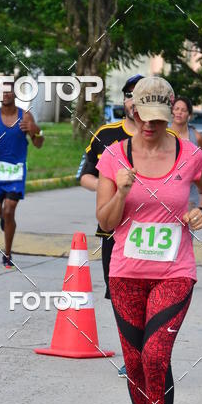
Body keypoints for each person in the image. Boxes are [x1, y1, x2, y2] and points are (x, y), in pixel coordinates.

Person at [95, 76, 202, 404]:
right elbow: (105, 222)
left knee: (154, 354)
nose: (151, 126)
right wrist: (122, 190)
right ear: (132, 112)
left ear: (171, 113)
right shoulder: (114, 156)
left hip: (174, 271)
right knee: (133, 364)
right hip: (126, 271)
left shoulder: (191, 155)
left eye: (160, 119)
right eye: (144, 118)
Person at [77, 75, 144, 376]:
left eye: (142, 95)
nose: (134, 101)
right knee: (119, 295)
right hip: (113, 230)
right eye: (130, 95)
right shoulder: (105, 135)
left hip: (149, 230)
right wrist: (110, 187)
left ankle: (148, 350)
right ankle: (133, 353)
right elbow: (84, 175)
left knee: (149, 292)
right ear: (124, 101)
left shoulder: (167, 138)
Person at [0, 86, 44, 268]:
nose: (6, 94)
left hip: (16, 172)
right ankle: (2, 219)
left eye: (9, 91)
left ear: (16, 94)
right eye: (3, 91)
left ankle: (7, 254)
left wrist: (36, 130)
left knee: (9, 211)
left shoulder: (26, 117)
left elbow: (38, 143)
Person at [171, 96, 202, 209]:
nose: (179, 112)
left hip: (190, 194)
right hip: (165, 192)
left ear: (189, 115)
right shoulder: (162, 134)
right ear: (172, 111)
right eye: (176, 109)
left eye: (183, 110)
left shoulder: (197, 138)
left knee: (188, 225)